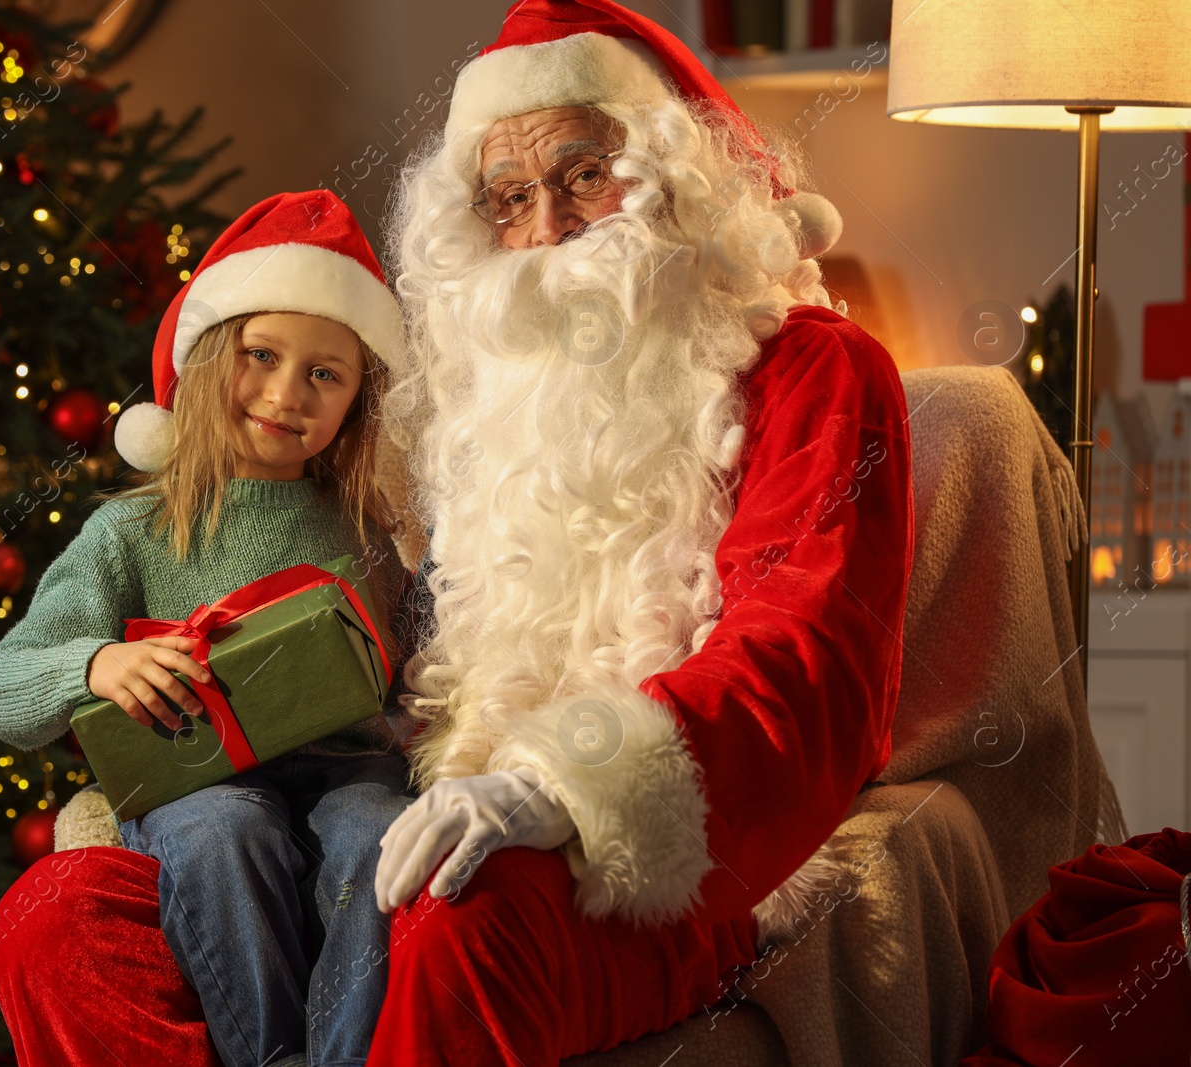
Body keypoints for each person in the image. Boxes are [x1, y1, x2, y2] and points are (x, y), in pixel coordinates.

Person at [358, 0, 914, 1063]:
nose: (550, 227)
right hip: (448, 797)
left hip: (678, 860)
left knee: (464, 915)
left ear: (676, 178)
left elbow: (806, 661)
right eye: (508, 199)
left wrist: (558, 782)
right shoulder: (495, 410)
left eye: (581, 174)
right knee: (71, 910)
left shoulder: (819, 370)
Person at [0, 190, 417, 1067]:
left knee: (374, 835)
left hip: (347, 769)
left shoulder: (369, 531)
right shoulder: (134, 530)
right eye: (261, 355)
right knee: (223, 830)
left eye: (325, 374)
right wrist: (96, 664)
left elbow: (416, 669)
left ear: (358, 400)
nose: (286, 395)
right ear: (211, 358)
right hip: (194, 779)